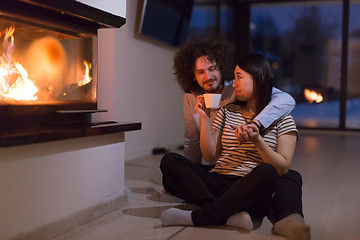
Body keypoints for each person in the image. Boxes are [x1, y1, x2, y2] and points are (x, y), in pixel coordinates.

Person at [162, 37, 310, 240]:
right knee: (169, 162)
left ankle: (204, 216)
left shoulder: (279, 114)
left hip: (252, 182)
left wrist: (256, 133)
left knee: (282, 175)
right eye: (200, 72)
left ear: (258, 79)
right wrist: (205, 119)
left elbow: (281, 165)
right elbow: (207, 152)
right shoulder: (225, 110)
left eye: (239, 77)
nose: (235, 83)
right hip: (220, 177)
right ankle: (228, 213)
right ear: (193, 76)